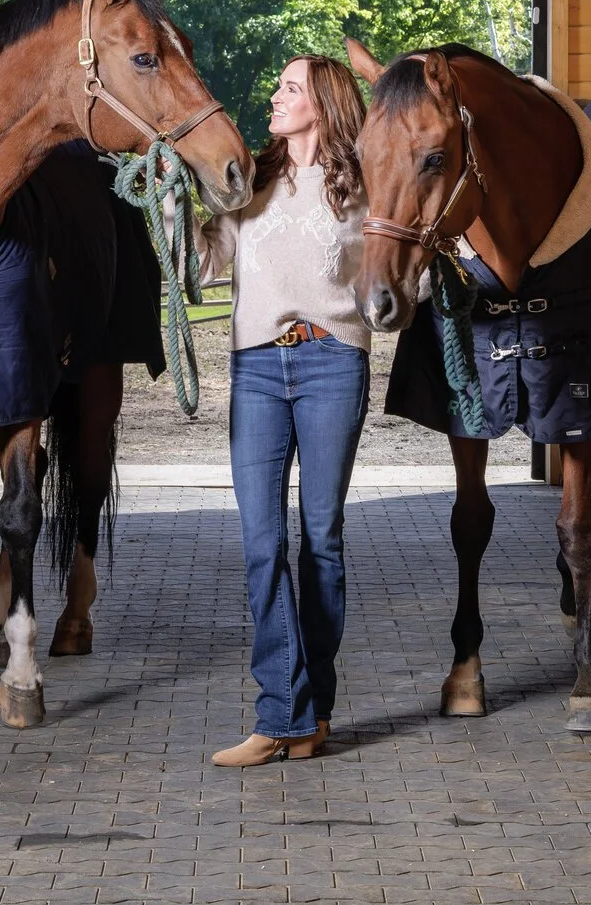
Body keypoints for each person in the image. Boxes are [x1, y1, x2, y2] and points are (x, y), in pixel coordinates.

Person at [196, 54, 375, 767]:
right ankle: (282, 713)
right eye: (278, 86)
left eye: (290, 88)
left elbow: (394, 282)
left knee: (321, 539)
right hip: (259, 370)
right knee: (262, 542)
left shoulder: (363, 186)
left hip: (333, 362)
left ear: (322, 105)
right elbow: (205, 264)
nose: (275, 96)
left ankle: (311, 713)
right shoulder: (250, 179)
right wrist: (176, 211)